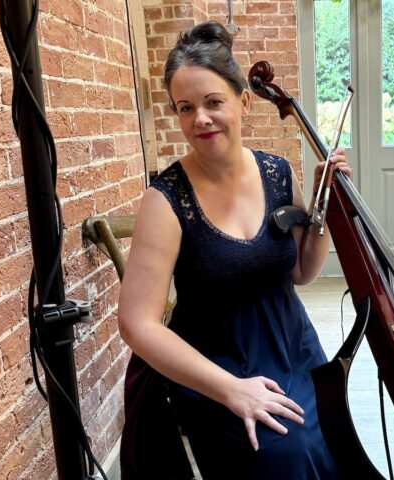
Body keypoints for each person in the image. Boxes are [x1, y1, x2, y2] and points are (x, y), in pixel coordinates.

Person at [118, 21, 349, 480]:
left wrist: (328, 207)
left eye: (212, 102)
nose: (199, 118)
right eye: (185, 108)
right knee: (281, 456)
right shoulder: (165, 200)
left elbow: (301, 272)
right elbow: (136, 324)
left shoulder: (279, 174)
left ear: (244, 101)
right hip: (215, 363)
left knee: (333, 442)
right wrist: (231, 389)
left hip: (291, 345)